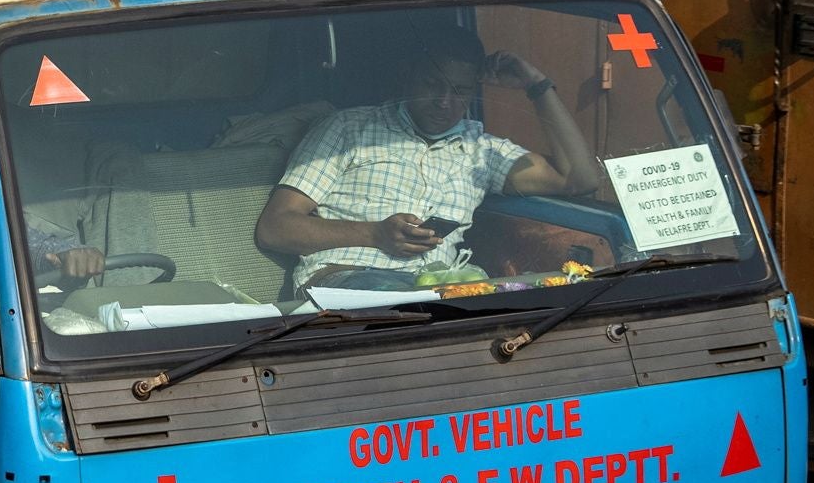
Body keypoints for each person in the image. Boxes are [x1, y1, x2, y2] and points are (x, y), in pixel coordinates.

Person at [254, 29, 603, 298]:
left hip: (441, 288)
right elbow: (275, 228)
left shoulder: (481, 149)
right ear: (407, 76)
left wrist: (537, 85)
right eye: (432, 85)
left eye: (461, 91)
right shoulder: (349, 129)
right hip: (349, 281)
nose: (444, 102)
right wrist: (375, 234)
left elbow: (579, 179)